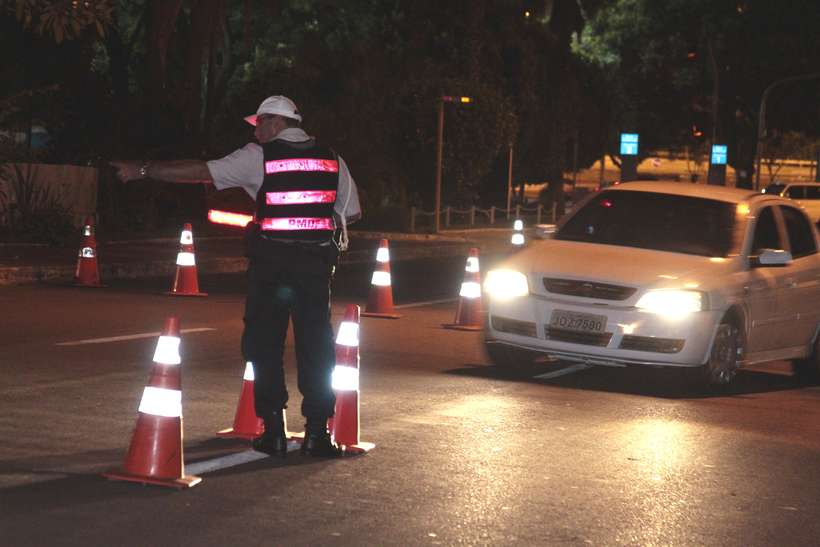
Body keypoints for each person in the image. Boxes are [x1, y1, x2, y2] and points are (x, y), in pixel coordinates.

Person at [112, 95, 361, 458]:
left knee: (264, 344)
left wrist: (143, 170)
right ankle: (317, 434)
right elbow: (351, 212)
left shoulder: (258, 156)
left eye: (258, 124)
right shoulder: (331, 157)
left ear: (275, 123)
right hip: (313, 266)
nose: (256, 131)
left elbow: (200, 171)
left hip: (272, 265)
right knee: (316, 345)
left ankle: (274, 432)